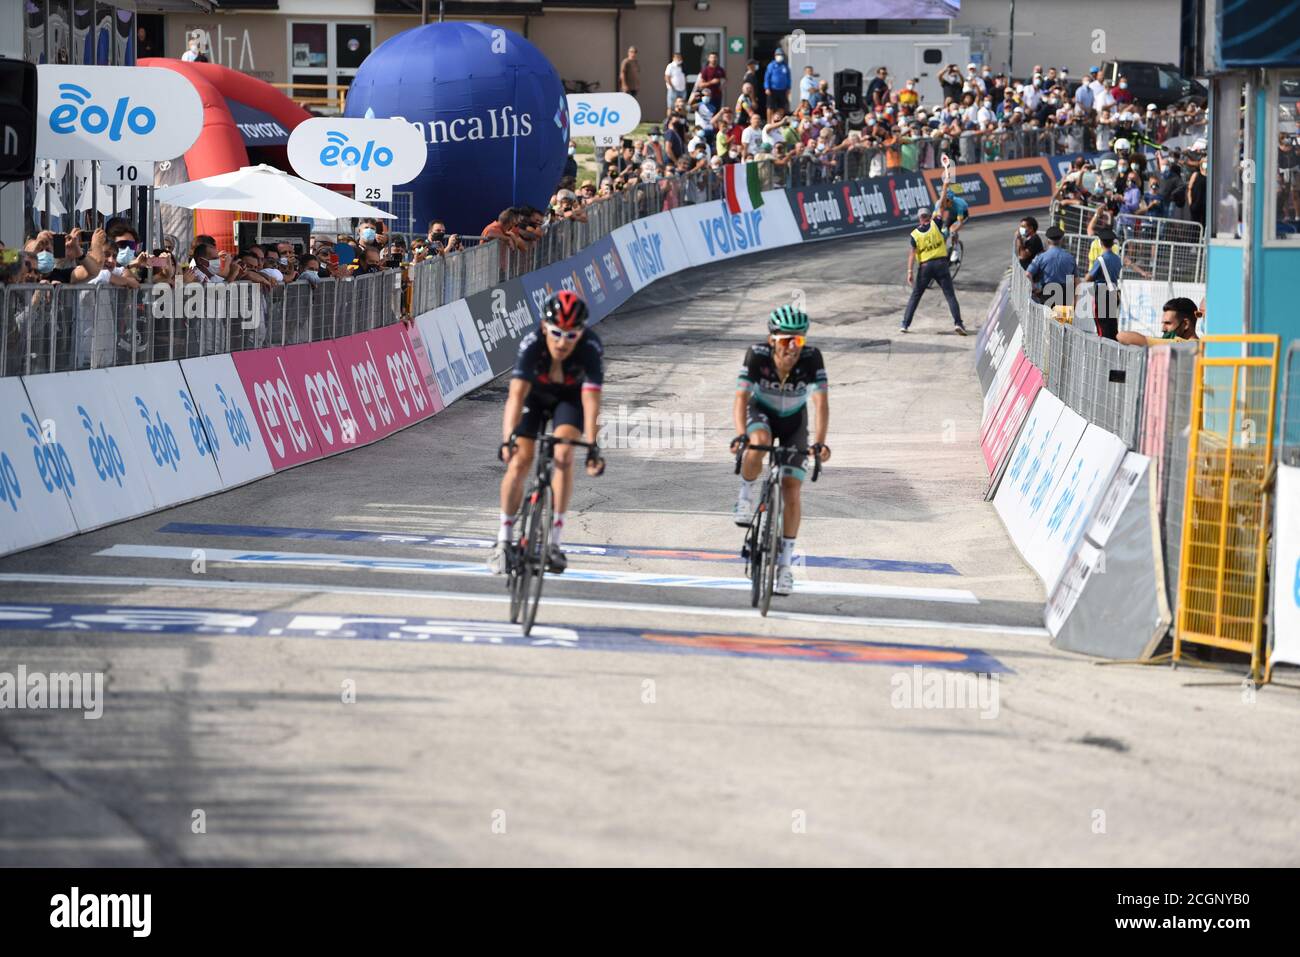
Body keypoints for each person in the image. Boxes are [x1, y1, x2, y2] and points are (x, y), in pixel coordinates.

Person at [490, 291, 606, 576]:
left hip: (570, 398)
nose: (562, 341)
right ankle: (503, 541)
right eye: (556, 333)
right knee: (519, 461)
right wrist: (508, 440)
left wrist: (593, 446)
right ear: (544, 327)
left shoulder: (591, 347)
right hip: (535, 397)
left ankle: (554, 542)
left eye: (571, 335)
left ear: (582, 332)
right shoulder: (532, 345)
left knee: (564, 454)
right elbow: (516, 396)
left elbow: (592, 402)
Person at [730, 305, 831, 597]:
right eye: (786, 340)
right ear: (772, 339)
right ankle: (745, 498)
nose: (792, 347)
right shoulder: (756, 355)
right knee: (758, 439)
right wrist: (740, 435)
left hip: (794, 422)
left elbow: (821, 404)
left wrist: (821, 442)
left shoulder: (813, 359)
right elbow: (740, 398)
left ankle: (785, 566)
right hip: (761, 412)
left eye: (798, 341)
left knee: (791, 489)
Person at [900, 204, 966, 334]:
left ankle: (905, 324)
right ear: (930, 217)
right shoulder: (936, 224)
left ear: (919, 218)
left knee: (916, 295)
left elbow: (912, 254)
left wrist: (909, 272)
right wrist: (945, 186)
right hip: (941, 264)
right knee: (950, 295)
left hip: (925, 267)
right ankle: (958, 323)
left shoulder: (914, 235)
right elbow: (941, 206)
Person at [1078, 228, 1122, 340]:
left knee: (1102, 325)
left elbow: (1088, 278)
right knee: (1112, 324)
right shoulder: (1117, 259)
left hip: (1102, 291)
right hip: (1113, 290)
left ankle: (1103, 352)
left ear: (1101, 242)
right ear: (1113, 243)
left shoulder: (1101, 259)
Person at [1117, 297, 1201, 346]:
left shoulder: (1180, 345)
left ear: (1185, 324)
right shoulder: (1200, 345)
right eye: (1163, 323)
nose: (1163, 329)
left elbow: (1122, 336)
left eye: (1168, 323)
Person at [1026, 225, 1077, 304]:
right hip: (1066, 296)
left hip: (1047, 294)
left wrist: (1034, 289)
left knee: (1048, 316)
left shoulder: (1041, 257)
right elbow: (1076, 280)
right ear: (1062, 240)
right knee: (1063, 316)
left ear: (1047, 240)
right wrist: (1075, 301)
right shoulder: (1070, 258)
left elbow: (1028, 274)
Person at [763, 50, 791, 121]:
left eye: (781, 55)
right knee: (770, 107)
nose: (780, 56)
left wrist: (788, 88)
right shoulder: (771, 65)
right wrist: (767, 88)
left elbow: (788, 77)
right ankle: (769, 122)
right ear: (775, 56)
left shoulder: (785, 66)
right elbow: (767, 77)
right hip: (772, 90)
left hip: (783, 90)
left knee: (782, 106)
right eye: (778, 54)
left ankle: (779, 121)